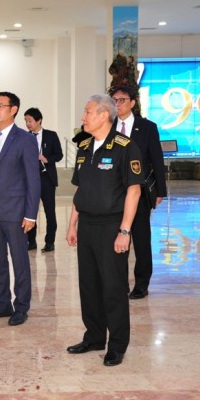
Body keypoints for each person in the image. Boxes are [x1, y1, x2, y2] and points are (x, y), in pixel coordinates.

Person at [65, 94, 143, 367]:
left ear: (103, 115)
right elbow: (80, 189)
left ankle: (117, 345)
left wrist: (125, 231)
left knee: (113, 287)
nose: (83, 117)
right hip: (87, 225)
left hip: (112, 226)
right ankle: (95, 336)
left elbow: (134, 191)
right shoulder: (85, 146)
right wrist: (72, 224)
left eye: (87, 112)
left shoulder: (125, 147)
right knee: (89, 285)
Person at [0, 92, 40, 326]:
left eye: (0, 106)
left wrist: (31, 214)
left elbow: (33, 179)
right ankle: (3, 303)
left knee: (19, 259)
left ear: (13, 110)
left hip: (14, 209)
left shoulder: (24, 139)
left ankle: (21, 306)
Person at [110, 85, 168, 300]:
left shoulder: (147, 127)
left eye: (122, 100)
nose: (118, 104)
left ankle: (142, 284)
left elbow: (156, 159)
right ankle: (119, 283)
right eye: (114, 100)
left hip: (140, 192)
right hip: (114, 192)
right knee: (116, 238)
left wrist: (160, 190)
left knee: (141, 239)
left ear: (133, 102)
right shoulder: (108, 126)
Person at [23, 107, 63, 252]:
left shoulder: (51, 135)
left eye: (30, 121)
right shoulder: (24, 137)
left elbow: (59, 155)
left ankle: (50, 242)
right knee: (30, 211)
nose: (28, 124)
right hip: (30, 179)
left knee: (49, 212)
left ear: (39, 120)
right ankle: (31, 241)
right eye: (26, 121)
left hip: (46, 178)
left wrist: (46, 159)